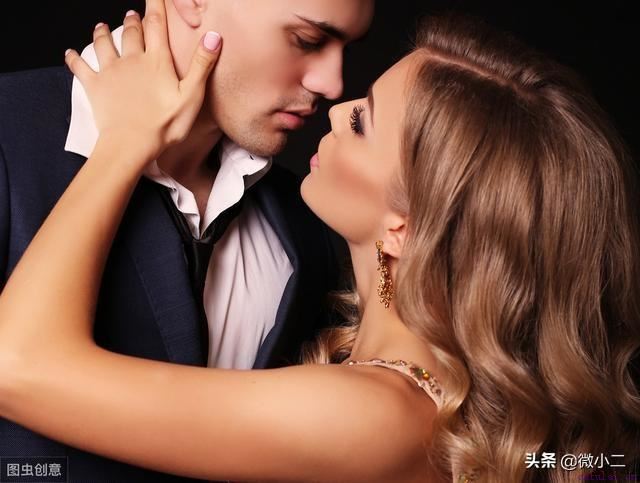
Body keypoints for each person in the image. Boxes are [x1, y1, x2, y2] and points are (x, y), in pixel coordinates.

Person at [1, 4, 639, 482]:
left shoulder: (375, 414)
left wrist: (123, 140)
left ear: (405, 225)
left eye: (361, 121)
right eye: (308, 38)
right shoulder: (421, 393)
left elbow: (18, 365)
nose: (335, 100)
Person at [0, 0, 372, 480]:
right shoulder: (10, 135)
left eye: (346, 48)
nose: (333, 84)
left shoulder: (307, 230)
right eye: (307, 40)